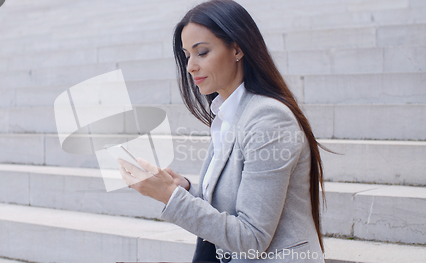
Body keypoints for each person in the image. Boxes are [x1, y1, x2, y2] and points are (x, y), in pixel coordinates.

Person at [117, 0, 330, 262]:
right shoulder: (227, 115)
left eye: (202, 52)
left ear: (237, 49)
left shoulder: (269, 119)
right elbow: (229, 209)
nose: (190, 66)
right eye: (187, 55)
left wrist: (168, 195)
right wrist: (182, 188)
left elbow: (252, 238)